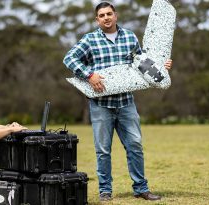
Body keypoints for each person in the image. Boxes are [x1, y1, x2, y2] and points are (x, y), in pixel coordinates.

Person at [63, 2, 172, 202]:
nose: (106, 17)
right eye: (102, 15)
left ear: (116, 15)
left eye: (109, 14)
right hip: (100, 106)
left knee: (135, 146)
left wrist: (161, 67)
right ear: (97, 19)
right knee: (103, 150)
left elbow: (142, 63)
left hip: (126, 104)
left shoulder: (130, 37)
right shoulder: (90, 40)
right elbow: (69, 59)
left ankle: (141, 188)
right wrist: (89, 75)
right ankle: (105, 190)